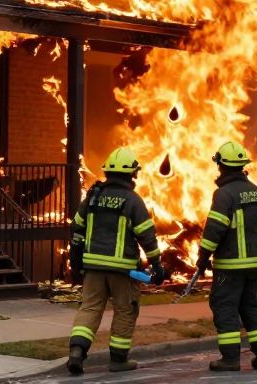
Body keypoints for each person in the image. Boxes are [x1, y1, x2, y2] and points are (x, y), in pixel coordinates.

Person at [66, 147, 165, 375]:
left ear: (108, 172)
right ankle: (118, 360)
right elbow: (146, 236)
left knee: (89, 308)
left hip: (93, 267)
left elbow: (77, 226)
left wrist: (76, 259)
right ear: (133, 174)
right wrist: (156, 264)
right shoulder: (132, 200)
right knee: (125, 310)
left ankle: (77, 352)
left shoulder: (94, 196)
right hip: (123, 269)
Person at [196, 140, 257, 372]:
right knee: (251, 305)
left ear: (221, 166)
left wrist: (203, 257)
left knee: (225, 307)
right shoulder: (256, 191)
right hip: (253, 265)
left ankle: (230, 359)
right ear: (242, 166)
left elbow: (215, 228)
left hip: (229, 267)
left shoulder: (223, 195)